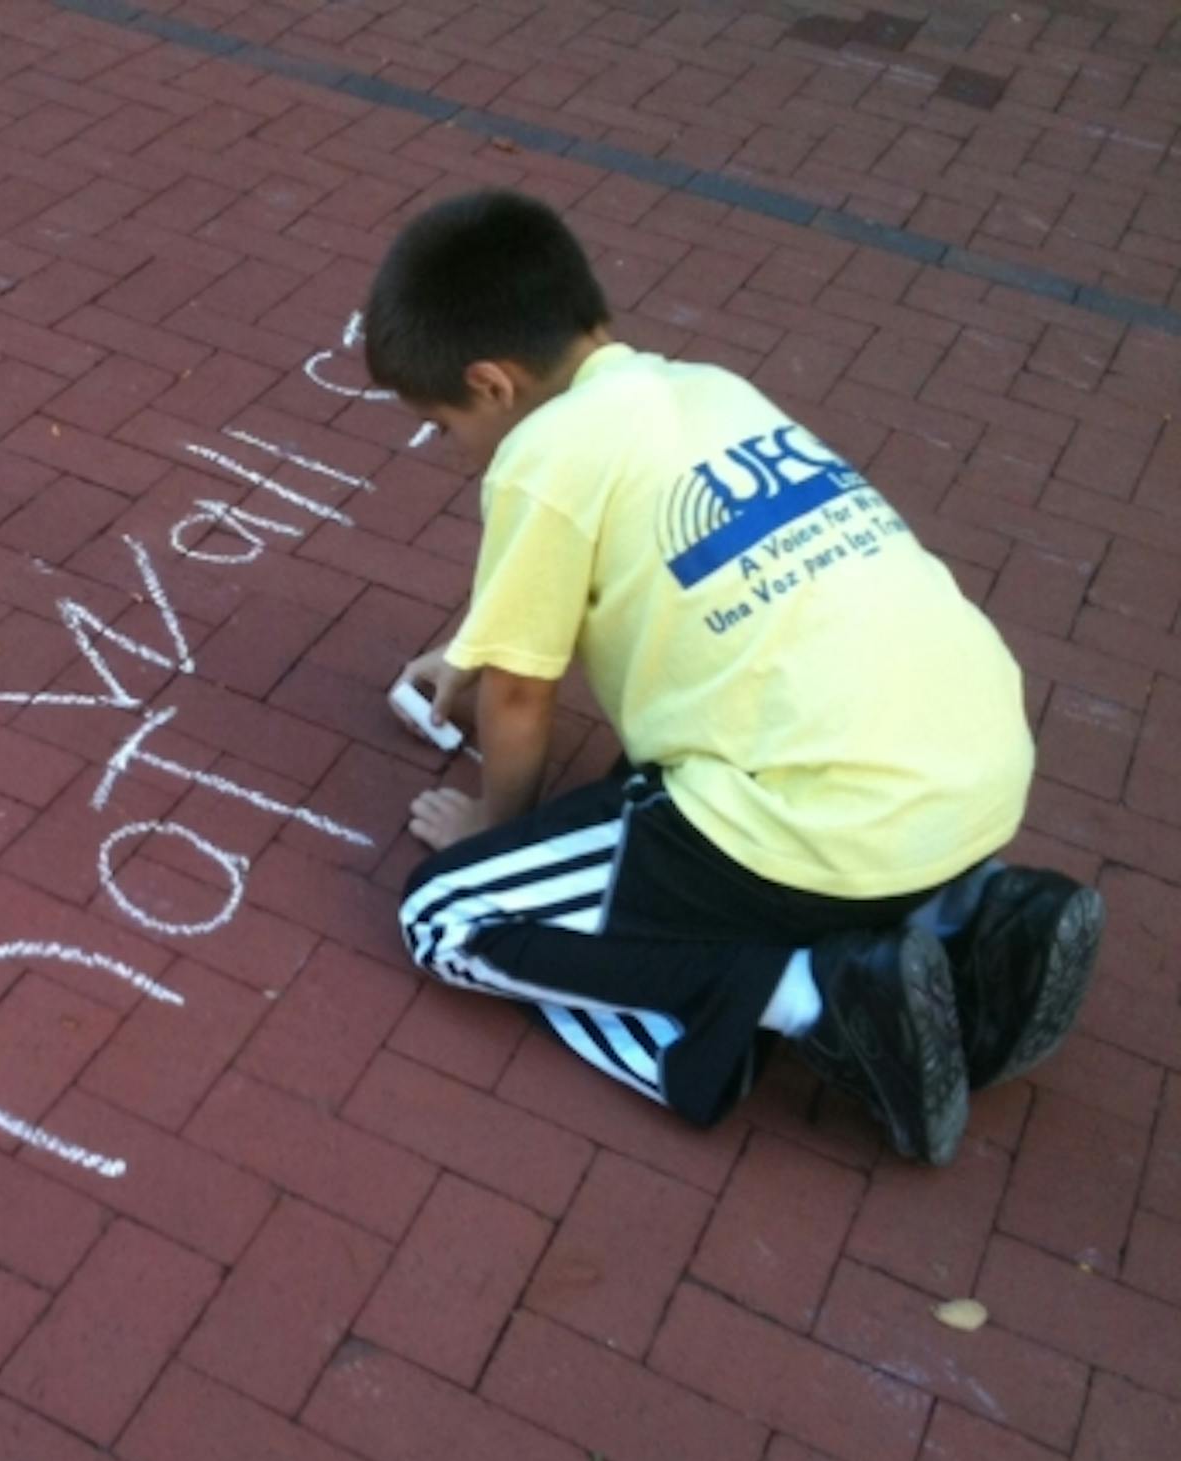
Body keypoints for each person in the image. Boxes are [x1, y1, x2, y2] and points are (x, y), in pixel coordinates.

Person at [372, 189, 1103, 1166]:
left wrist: (497, 827)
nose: (448, 444)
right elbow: (632, 567)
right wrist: (475, 643)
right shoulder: (709, 391)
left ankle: (816, 993)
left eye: (440, 421)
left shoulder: (542, 455)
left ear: (492, 384)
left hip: (811, 816)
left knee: (444, 916)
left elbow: (518, 697)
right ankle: (967, 914)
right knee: (786, 829)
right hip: (975, 773)